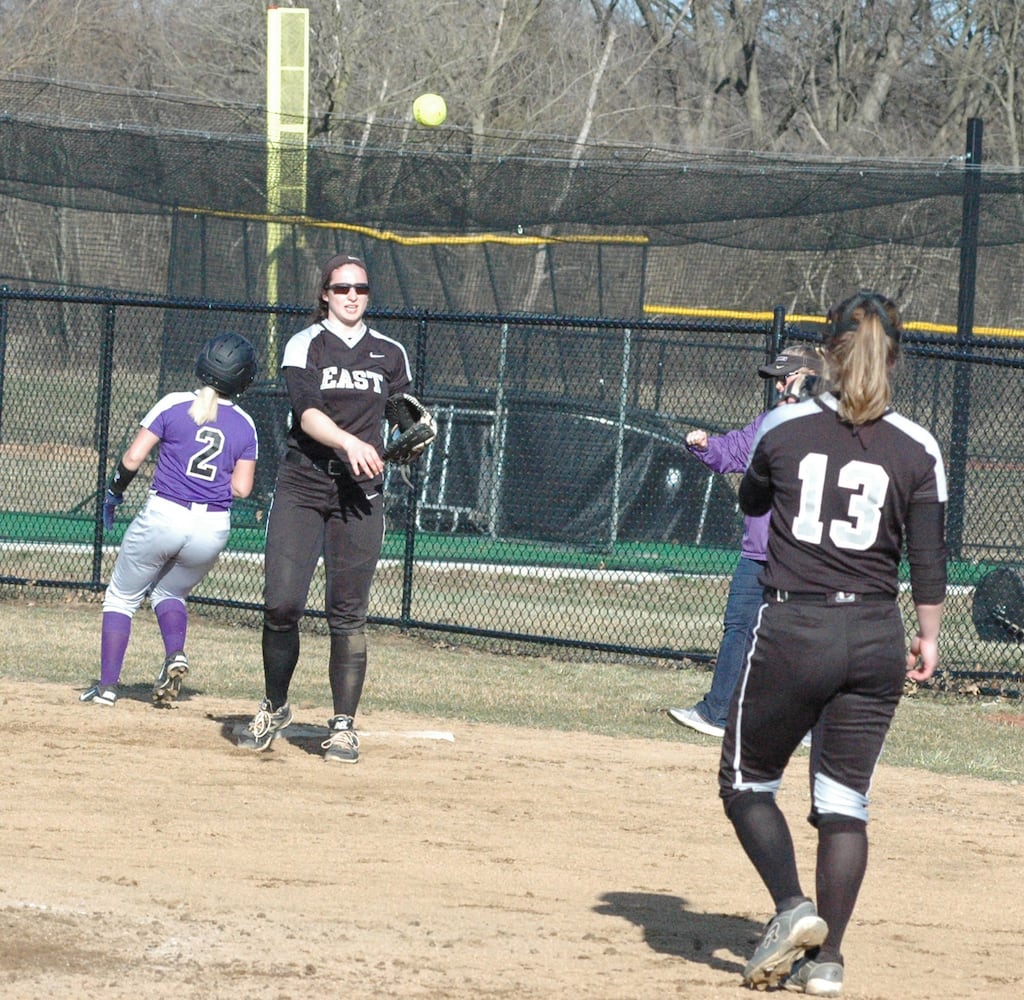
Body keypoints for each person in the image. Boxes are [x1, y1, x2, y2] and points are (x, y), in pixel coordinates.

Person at [719, 291, 947, 996]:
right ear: (895, 354)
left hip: (796, 627)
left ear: (826, 353)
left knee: (745, 782)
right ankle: (829, 963)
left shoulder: (784, 427)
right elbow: (930, 561)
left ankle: (792, 908)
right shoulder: (919, 445)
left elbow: (752, 503)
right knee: (844, 802)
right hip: (876, 634)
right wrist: (930, 637)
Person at [237, 253, 413, 764]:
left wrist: (412, 433)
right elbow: (307, 413)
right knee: (282, 603)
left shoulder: (389, 352)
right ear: (325, 294)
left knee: (348, 613)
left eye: (361, 287)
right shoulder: (306, 343)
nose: (352, 295)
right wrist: (349, 443)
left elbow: (402, 411)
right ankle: (275, 706)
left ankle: (342, 726)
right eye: (342, 288)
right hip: (304, 485)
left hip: (361, 494)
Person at [81, 332, 259, 707]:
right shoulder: (245, 424)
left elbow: (132, 458)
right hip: (212, 527)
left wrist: (115, 491)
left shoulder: (174, 404)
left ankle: (107, 687)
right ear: (243, 379)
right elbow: (242, 488)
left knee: (121, 597)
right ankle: (174, 653)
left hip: (166, 513)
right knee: (169, 591)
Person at [668, 345, 823, 739]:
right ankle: (716, 713)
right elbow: (734, 451)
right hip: (758, 554)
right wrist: (705, 447)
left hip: (801, 554)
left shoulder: (830, 429)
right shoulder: (770, 422)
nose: (779, 388)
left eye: (786, 379)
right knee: (738, 627)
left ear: (808, 378)